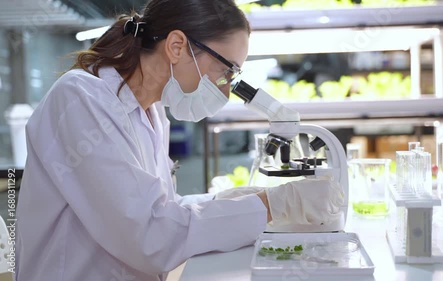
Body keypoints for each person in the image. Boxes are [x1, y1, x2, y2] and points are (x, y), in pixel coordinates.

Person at [14, 0, 343, 280]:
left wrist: (229, 200)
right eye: (226, 70)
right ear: (176, 46)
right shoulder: (82, 100)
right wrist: (272, 206)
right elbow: (147, 235)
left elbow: (159, 210)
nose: (227, 89)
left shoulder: (153, 112)